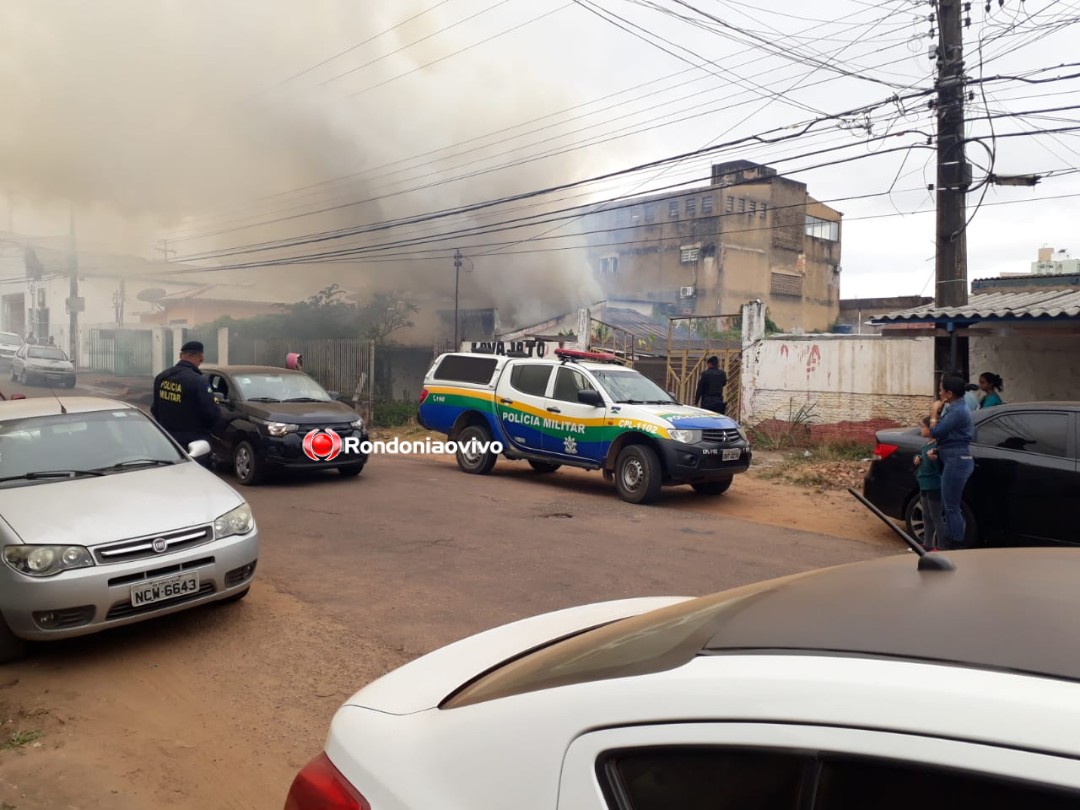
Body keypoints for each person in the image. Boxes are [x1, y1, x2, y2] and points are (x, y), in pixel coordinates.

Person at [150, 340, 220, 466]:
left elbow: (155, 409)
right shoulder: (198, 381)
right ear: (201, 357)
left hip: (167, 441)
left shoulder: (162, 377)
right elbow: (212, 414)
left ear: (180, 355)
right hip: (194, 445)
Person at [929, 373, 975, 549]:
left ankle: (955, 545)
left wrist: (934, 413)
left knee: (951, 507)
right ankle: (949, 540)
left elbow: (936, 432)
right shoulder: (957, 407)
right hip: (953, 456)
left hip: (957, 460)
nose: (939, 393)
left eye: (941, 390)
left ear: (949, 393)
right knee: (950, 505)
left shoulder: (957, 410)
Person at [913, 416, 945, 551]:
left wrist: (935, 459)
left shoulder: (937, 447)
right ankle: (927, 544)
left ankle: (941, 546)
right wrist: (917, 460)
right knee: (926, 515)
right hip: (924, 485)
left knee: (936, 516)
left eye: (923, 426)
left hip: (934, 486)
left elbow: (941, 467)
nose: (921, 429)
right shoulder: (926, 445)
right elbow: (921, 461)